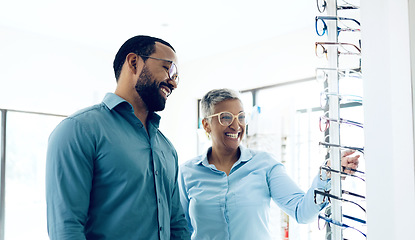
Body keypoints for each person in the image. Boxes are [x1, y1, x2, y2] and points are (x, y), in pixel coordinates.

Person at [46, 35, 190, 240]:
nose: (174, 83)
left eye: (177, 77)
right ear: (134, 63)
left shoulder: (167, 148)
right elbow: (66, 229)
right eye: (170, 69)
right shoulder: (78, 130)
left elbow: (177, 224)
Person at [178, 88, 360, 240]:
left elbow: (302, 212)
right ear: (206, 125)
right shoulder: (188, 172)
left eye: (241, 117)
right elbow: (181, 230)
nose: (236, 125)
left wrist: (325, 175)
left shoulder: (264, 164)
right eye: (226, 117)